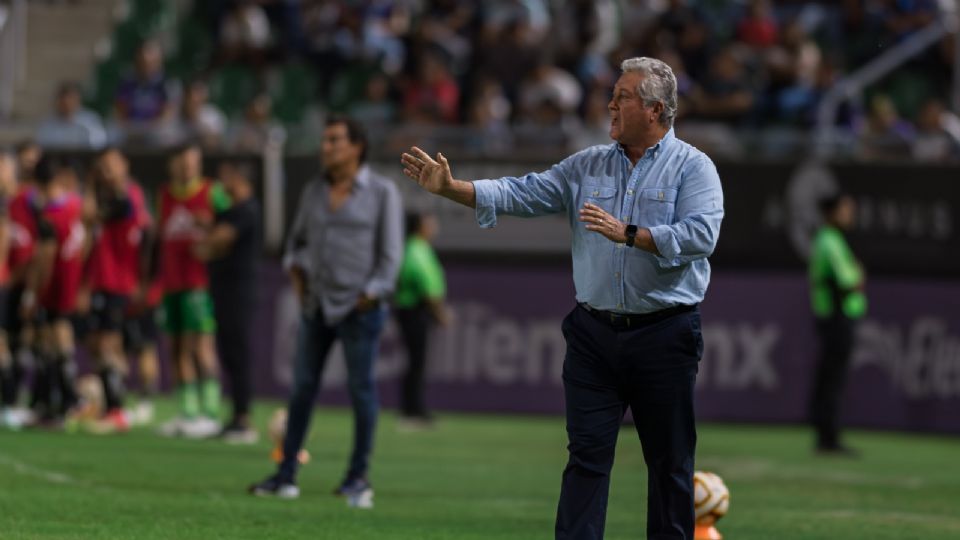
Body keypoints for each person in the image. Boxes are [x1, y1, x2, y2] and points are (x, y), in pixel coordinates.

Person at [401, 57, 724, 539]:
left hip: (665, 333)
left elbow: (702, 235)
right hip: (594, 335)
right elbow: (523, 192)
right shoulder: (586, 164)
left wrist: (629, 233)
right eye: (613, 94)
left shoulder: (694, 167)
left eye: (623, 96)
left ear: (656, 109)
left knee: (670, 463)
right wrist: (453, 189)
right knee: (586, 458)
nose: (610, 103)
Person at [249, 115, 403, 502]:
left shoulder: (383, 192)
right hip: (315, 305)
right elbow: (296, 243)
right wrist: (297, 276)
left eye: (334, 140)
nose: (326, 147)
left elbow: (390, 256)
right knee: (301, 390)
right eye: (324, 140)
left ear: (357, 147)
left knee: (361, 391)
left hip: (360, 310)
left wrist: (370, 295)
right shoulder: (313, 191)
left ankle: (358, 477)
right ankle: (286, 474)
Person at [155, 143, 230, 438]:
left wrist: (211, 230)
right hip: (171, 283)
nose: (188, 168)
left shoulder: (212, 192)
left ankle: (209, 411)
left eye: (193, 163)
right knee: (174, 348)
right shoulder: (164, 195)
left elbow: (231, 230)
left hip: (199, 283)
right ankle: (187, 412)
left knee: (200, 347)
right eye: (182, 163)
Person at [81, 148, 152, 431]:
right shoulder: (108, 196)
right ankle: (109, 404)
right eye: (102, 166)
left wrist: (88, 185)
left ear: (125, 165)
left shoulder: (128, 196)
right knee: (96, 345)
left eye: (111, 165)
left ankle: (118, 408)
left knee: (110, 343)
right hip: (100, 281)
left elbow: (90, 216)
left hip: (118, 282)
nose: (106, 171)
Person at [195, 161, 261, 443]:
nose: (222, 183)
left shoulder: (246, 210)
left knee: (237, 352)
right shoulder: (230, 211)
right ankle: (235, 415)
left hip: (239, 290)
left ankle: (244, 418)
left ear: (239, 179)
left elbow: (219, 241)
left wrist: (206, 243)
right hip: (223, 290)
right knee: (227, 352)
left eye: (227, 177)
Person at [808, 193, 865, 456]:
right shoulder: (829, 241)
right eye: (845, 209)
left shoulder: (832, 240)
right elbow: (849, 281)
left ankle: (826, 435)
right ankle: (828, 437)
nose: (849, 214)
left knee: (830, 377)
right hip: (837, 316)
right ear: (831, 213)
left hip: (837, 316)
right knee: (833, 379)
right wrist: (858, 276)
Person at [393, 212, 449, 428]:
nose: (433, 225)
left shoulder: (417, 247)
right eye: (429, 221)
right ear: (420, 226)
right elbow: (425, 284)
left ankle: (413, 409)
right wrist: (439, 311)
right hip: (414, 309)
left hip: (415, 309)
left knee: (417, 362)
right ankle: (411, 411)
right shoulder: (416, 249)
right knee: (416, 362)